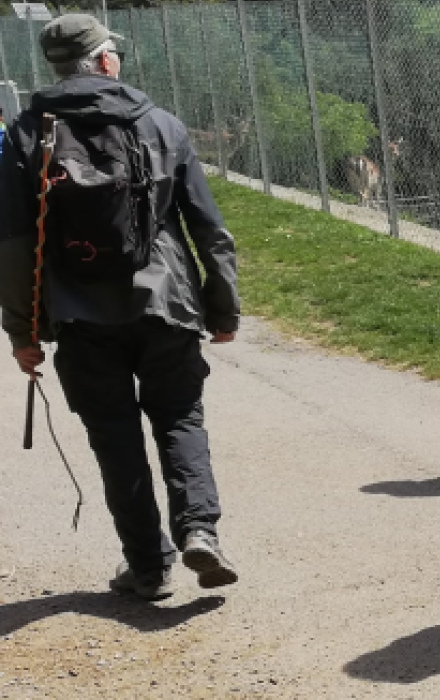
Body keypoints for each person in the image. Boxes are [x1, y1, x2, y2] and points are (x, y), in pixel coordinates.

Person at [0, 14, 241, 601]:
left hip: (79, 317)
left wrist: (22, 331)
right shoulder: (159, 123)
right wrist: (223, 306)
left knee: (115, 438)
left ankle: (150, 566)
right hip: (167, 304)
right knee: (180, 418)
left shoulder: (27, 134)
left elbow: (12, 244)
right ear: (106, 61)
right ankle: (199, 529)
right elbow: (209, 228)